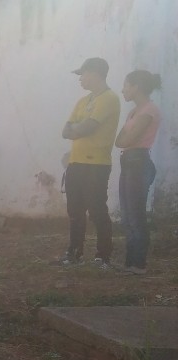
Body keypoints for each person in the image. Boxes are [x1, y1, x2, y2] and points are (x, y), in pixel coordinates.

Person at [60, 57, 121, 268]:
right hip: (76, 163)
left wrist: (78, 128)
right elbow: (65, 130)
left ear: (95, 73)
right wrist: (79, 128)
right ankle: (74, 253)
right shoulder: (82, 101)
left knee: (97, 210)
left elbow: (87, 128)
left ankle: (103, 255)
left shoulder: (110, 98)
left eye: (82, 74)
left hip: (97, 164)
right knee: (75, 211)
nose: (80, 79)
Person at [114, 69, 163, 276]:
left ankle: (138, 264)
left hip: (139, 162)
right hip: (128, 161)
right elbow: (120, 141)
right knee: (127, 214)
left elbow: (128, 139)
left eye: (126, 85)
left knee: (135, 214)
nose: (123, 89)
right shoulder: (133, 112)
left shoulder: (149, 110)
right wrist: (126, 139)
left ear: (136, 87)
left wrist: (126, 139)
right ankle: (130, 263)